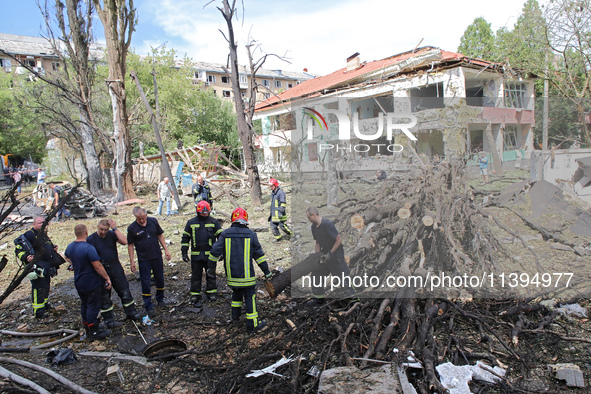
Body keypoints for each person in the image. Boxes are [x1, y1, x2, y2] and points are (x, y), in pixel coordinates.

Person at [208, 207, 271, 333]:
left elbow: (214, 251)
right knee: (250, 299)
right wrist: (267, 272)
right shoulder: (251, 234)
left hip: (232, 277)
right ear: (245, 220)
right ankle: (252, 325)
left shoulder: (225, 234)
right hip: (247, 277)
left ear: (233, 219)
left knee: (236, 295)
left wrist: (211, 268)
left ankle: (235, 318)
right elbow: (259, 256)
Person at [87, 219, 143, 326]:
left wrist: (115, 228)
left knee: (124, 290)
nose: (103, 232)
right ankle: (109, 319)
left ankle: (131, 312)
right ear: (97, 227)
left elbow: (125, 241)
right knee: (104, 296)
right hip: (102, 271)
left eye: (105, 230)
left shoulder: (111, 234)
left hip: (115, 267)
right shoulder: (91, 239)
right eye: (101, 229)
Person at [65, 224, 112, 340]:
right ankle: (93, 331)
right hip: (91, 281)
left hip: (79, 281)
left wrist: (75, 263)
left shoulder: (70, 246)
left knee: (84, 303)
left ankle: (86, 326)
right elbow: (98, 266)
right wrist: (107, 278)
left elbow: (66, 257)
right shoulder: (88, 248)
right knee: (93, 305)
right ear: (86, 232)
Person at [306, 206, 356, 305]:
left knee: (343, 278)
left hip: (335, 255)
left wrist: (330, 254)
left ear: (314, 215)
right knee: (316, 275)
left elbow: (339, 240)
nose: (308, 219)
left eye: (309, 217)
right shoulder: (314, 227)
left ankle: (354, 301)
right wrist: (317, 256)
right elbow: (317, 243)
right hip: (324, 254)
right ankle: (319, 299)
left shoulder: (327, 224)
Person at [127, 207, 172, 316]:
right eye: (139, 219)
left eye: (143, 218)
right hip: (144, 259)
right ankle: (148, 304)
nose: (141, 221)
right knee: (145, 282)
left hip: (156, 256)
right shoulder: (132, 228)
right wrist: (132, 261)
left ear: (146, 215)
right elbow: (130, 245)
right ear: (135, 217)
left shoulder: (153, 221)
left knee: (160, 279)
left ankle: (160, 298)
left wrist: (166, 249)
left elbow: (159, 235)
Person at [15, 217, 61, 318]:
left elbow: (47, 245)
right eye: (40, 223)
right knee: (38, 288)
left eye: (44, 223)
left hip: (47, 265)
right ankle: (38, 311)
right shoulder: (29, 235)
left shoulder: (43, 234)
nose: (43, 224)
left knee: (46, 286)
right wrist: (26, 257)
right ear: (34, 224)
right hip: (38, 266)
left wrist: (53, 249)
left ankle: (44, 304)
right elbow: (18, 250)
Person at [181, 201, 222, 307]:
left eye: (206, 212)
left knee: (211, 274)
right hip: (196, 255)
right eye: (202, 212)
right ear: (198, 212)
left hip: (210, 255)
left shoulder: (214, 222)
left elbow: (221, 238)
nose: (205, 214)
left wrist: (221, 252)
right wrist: (184, 252)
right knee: (196, 275)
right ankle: (195, 294)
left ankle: (211, 292)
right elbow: (186, 237)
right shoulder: (191, 222)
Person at [268, 178, 293, 242]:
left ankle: (292, 234)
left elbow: (283, 203)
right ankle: (278, 237)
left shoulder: (281, 193)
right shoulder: (273, 193)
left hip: (279, 214)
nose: (271, 187)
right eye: (270, 186)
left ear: (275, 185)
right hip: (273, 214)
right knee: (273, 226)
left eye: (271, 185)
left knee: (283, 226)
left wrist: (281, 211)